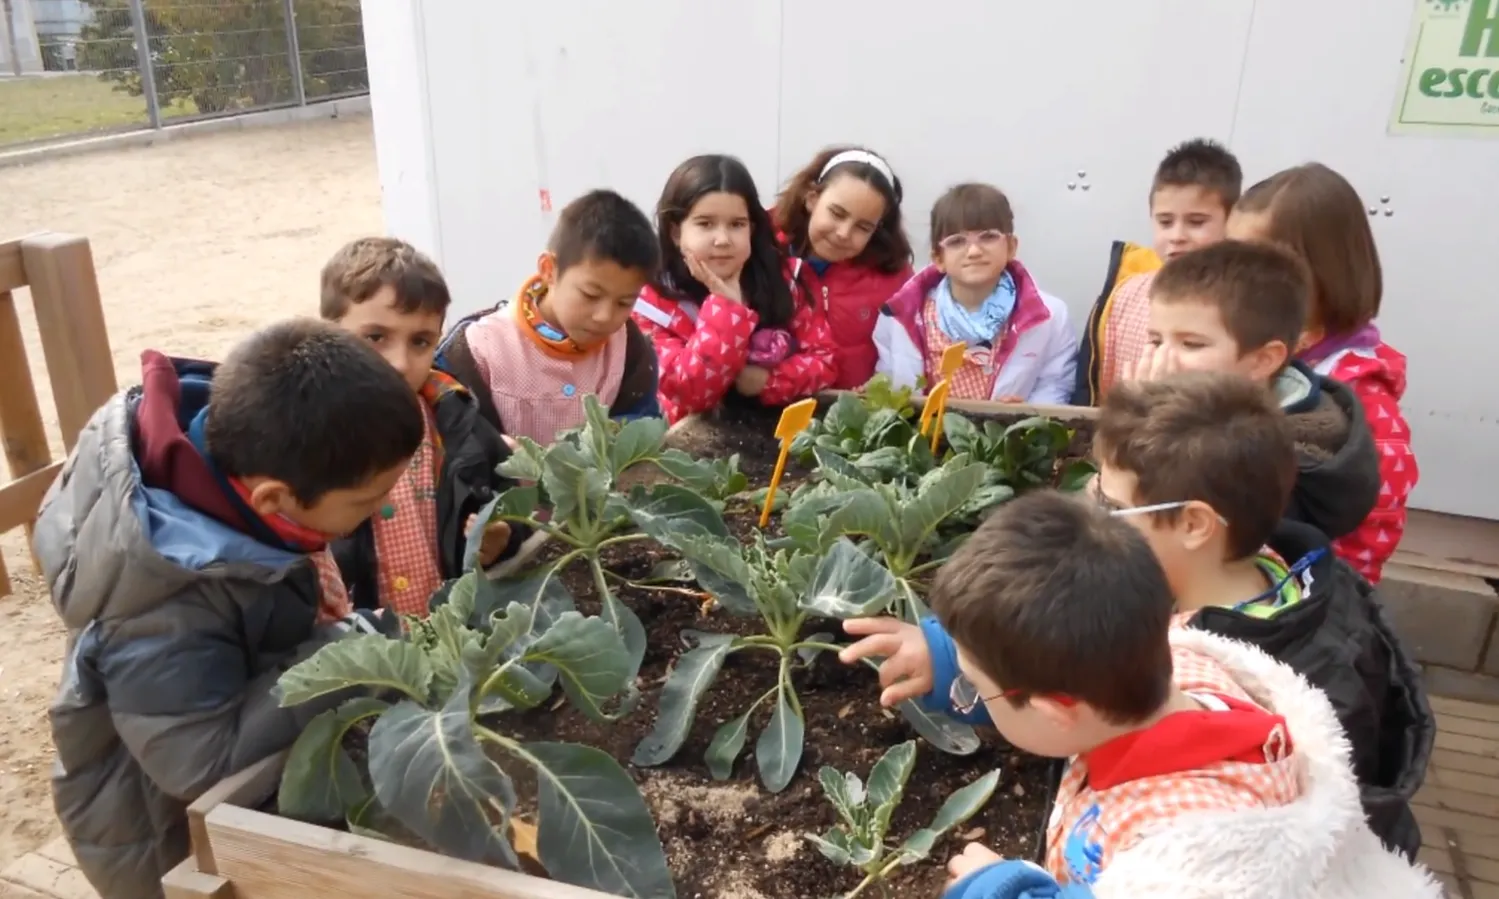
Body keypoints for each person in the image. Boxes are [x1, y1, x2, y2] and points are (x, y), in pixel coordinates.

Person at [838, 492, 1443, 898]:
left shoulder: (1192, 852)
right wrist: (946, 657)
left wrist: (998, 887)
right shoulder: (1177, 662)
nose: (970, 695)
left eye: (977, 690)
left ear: (1058, 706)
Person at [34, 319, 425, 899]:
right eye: (366, 501)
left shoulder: (239, 477)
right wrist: (341, 656)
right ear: (274, 498)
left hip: (230, 787)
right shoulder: (168, 600)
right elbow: (200, 762)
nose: (380, 512)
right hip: (164, 840)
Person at [1094, 371, 1433, 860]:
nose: (1094, 516)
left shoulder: (1281, 692)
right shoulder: (1276, 579)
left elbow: (1281, 856)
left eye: (1112, 506)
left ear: (1194, 524)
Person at [1229, 162, 1415, 584]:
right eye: (1231, 257)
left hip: (1296, 596)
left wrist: (1312, 594)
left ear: (1324, 271)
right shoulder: (1262, 349)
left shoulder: (1358, 391)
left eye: (1258, 264)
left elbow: (1372, 522)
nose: (1236, 280)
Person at [320, 237, 526, 614]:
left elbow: (512, 507)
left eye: (420, 341)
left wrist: (503, 539)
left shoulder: (459, 427)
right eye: (375, 337)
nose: (399, 362)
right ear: (327, 333)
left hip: (450, 646)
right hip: (356, 657)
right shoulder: (304, 438)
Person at [1127, 239, 1381, 545]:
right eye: (1155, 340)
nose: (1162, 359)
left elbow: (1176, 538)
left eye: (1191, 344)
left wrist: (1146, 421)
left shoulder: (1282, 466)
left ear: (1263, 360)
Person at [438, 189, 662, 444]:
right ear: (549, 270)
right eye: (590, 295)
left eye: (624, 302)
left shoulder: (630, 350)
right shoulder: (476, 352)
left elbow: (640, 433)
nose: (604, 316)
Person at [633, 154, 838, 422]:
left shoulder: (786, 280)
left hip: (774, 439)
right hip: (687, 452)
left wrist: (767, 381)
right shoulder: (651, 302)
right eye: (705, 224)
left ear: (752, 229)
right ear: (675, 232)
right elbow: (691, 392)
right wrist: (725, 308)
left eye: (736, 225)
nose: (723, 240)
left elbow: (825, 361)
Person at [1072, 138, 1242, 405]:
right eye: (1165, 222)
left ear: (1232, 220)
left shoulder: (1241, 301)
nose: (1177, 236)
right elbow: (1101, 390)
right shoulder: (1125, 295)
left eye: (1196, 222)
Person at [873, 183, 1077, 403]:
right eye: (957, 241)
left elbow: (1055, 384)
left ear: (1010, 247)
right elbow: (888, 381)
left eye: (988, 237)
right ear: (938, 258)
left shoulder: (1050, 316)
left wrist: (1027, 416)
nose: (974, 251)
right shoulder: (900, 315)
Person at [773, 145, 914, 389]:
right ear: (812, 199)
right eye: (837, 213)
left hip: (855, 419)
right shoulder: (761, 252)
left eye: (863, 227)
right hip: (768, 414)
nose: (843, 233)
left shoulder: (894, 277)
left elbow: (911, 356)